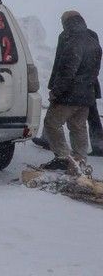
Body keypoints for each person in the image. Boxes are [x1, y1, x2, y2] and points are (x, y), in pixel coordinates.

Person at [39, 11, 102, 173]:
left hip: (69, 95)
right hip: (87, 94)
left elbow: (67, 72)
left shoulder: (72, 42)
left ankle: (63, 158)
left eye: (63, 22)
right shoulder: (93, 42)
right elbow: (94, 71)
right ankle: (79, 160)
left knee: (52, 123)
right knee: (78, 127)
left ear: (68, 23)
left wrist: (56, 92)